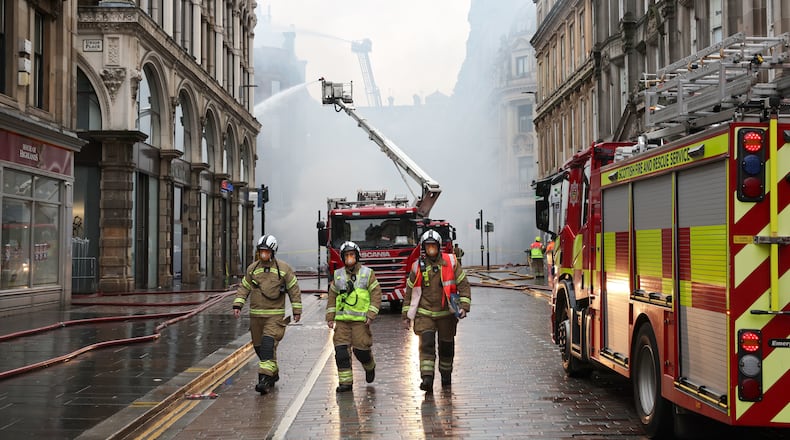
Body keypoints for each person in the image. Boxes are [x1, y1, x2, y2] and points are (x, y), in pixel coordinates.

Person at [402, 230, 471, 392]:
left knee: (446, 346)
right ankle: (427, 378)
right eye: (428, 246)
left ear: (439, 247)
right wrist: (406, 316)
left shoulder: (451, 262)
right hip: (425, 313)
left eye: (433, 246)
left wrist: (464, 306)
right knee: (426, 344)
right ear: (423, 248)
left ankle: (446, 375)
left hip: (446, 313)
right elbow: (410, 292)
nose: (431, 249)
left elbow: (463, 285)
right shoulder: (417, 267)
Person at [233, 234, 302, 395]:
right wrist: (238, 304)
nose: (263, 254)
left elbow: (293, 289)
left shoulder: (283, 269)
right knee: (259, 349)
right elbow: (244, 288)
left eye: (266, 251)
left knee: (267, 346)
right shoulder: (252, 269)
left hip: (274, 317)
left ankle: (263, 381)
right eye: (261, 251)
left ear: (273, 252)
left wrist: (296, 310)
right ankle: (273, 373)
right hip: (256, 317)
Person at [327, 241, 382, 392]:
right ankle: (346, 383)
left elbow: (376, 294)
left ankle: (369, 365)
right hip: (342, 322)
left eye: (352, 255)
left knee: (361, 351)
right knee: (341, 352)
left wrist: (371, 314)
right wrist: (330, 317)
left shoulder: (367, 273)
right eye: (346, 255)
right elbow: (332, 297)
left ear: (357, 256)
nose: (349, 258)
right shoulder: (338, 275)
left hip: (360, 322)